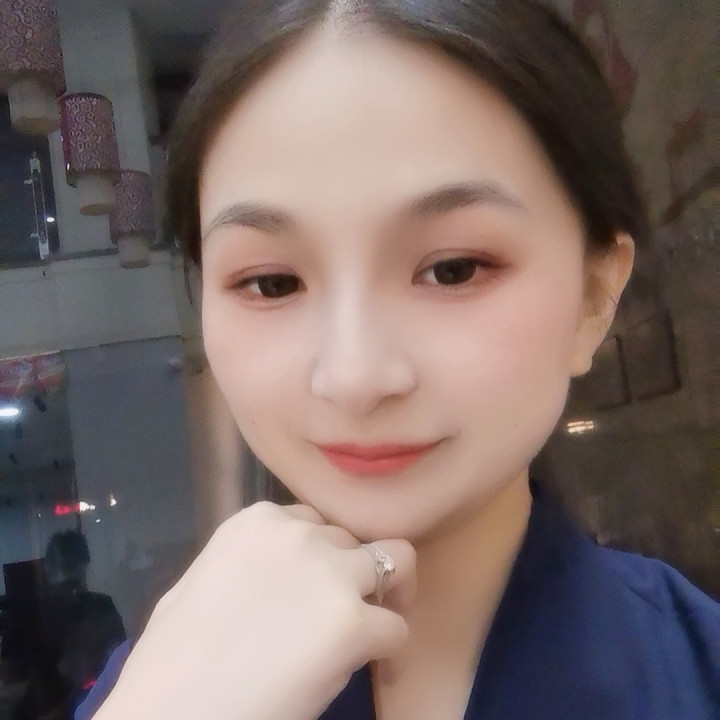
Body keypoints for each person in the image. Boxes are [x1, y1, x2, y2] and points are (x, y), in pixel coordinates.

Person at [77, 1, 719, 719]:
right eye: (272, 283)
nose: (354, 378)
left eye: (453, 269)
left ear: (594, 296)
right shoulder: (152, 689)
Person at [6, 530, 126, 720]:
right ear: (85, 564)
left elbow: (9, 680)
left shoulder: (26, 613)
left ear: (47, 567)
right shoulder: (101, 606)